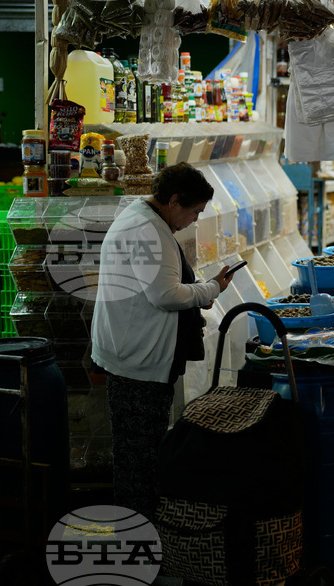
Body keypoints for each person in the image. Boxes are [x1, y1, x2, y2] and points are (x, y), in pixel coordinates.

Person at [91, 163, 236, 518]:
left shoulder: (145, 219)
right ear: (174, 201)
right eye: (195, 212)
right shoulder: (147, 231)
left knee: (135, 454)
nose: (195, 220)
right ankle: (138, 537)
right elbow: (165, 295)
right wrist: (210, 288)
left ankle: (136, 532)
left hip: (131, 352)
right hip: (136, 361)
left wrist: (202, 287)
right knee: (139, 459)